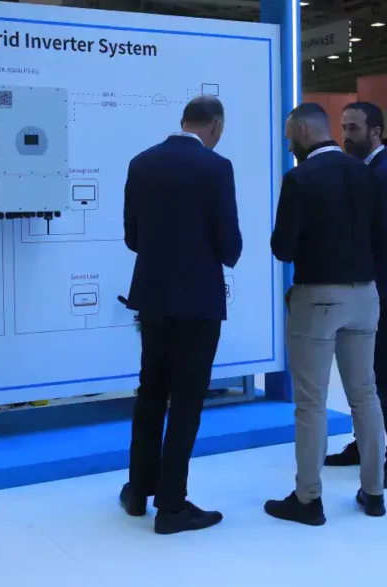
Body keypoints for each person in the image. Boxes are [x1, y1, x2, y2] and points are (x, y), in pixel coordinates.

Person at [120, 96, 242, 535]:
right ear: (216, 125)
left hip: (152, 296)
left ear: (183, 121)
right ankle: (171, 506)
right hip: (198, 301)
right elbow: (229, 246)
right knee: (187, 401)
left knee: (150, 392)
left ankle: (139, 490)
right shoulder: (216, 167)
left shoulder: (141, 162)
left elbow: (132, 237)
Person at [264, 103, 386, 524]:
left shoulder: (299, 178)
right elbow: (381, 236)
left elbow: (282, 248)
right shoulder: (365, 173)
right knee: (365, 394)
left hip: (316, 297)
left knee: (311, 402)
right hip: (365, 295)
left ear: (302, 130)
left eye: (289, 136)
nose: (289, 145)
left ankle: (308, 499)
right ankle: (374, 492)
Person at [326, 102, 387, 489]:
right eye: (343, 127)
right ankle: (366, 443)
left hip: (382, 289)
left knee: (386, 372)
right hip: (357, 287)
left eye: (353, 128)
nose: (345, 135)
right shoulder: (355, 171)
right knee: (361, 374)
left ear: (375, 131)